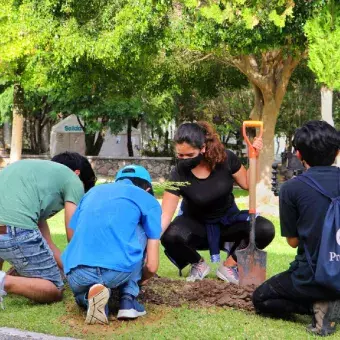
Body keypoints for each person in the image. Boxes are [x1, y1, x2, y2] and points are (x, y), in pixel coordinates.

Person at [252, 121, 340, 336]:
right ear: (337, 152)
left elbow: (293, 241)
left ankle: (320, 302)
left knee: (262, 298)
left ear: (299, 155)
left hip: (314, 275)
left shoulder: (292, 188)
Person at [161, 121, 275, 283]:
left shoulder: (226, 159)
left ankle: (229, 266)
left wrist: (255, 156)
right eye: (180, 155)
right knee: (169, 236)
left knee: (264, 228)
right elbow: (165, 214)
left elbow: (248, 184)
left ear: (203, 148)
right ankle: (198, 264)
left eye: (190, 155)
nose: (184, 160)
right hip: (196, 227)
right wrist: (149, 242)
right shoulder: (178, 172)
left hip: (228, 222)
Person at [62, 165, 161, 325]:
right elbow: (152, 266)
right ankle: (128, 299)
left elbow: (73, 235)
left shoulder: (91, 193)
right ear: (147, 188)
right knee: (141, 227)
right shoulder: (146, 198)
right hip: (117, 270)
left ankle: (89, 299)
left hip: (76, 272)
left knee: (82, 292)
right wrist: (140, 280)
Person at [0, 152, 96, 308]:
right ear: (77, 174)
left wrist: (70, 271)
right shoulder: (73, 179)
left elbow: (48, 244)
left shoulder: (33, 179)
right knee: (54, 289)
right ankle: (4, 281)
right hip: (15, 229)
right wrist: (87, 275)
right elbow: (73, 237)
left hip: (7, 228)